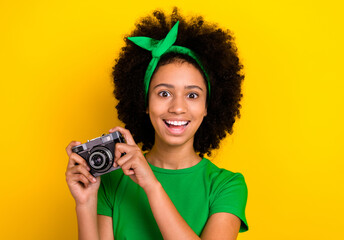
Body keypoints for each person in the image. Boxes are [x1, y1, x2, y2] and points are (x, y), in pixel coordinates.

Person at [65, 7, 249, 240]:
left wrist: (151, 185)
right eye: (164, 94)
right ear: (144, 101)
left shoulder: (227, 186)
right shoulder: (112, 182)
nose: (178, 107)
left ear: (207, 108)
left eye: (192, 95)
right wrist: (85, 204)